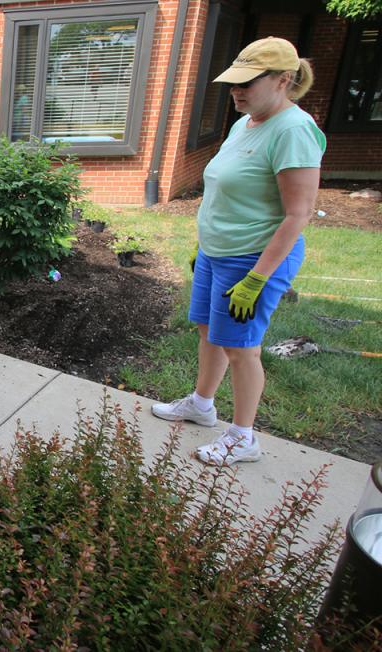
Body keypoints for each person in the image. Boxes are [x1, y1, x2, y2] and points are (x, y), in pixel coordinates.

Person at [151, 37, 325, 466]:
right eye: (233, 83)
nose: (236, 91)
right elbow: (227, 192)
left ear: (284, 80)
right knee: (208, 331)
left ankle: (244, 437)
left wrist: (257, 278)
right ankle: (202, 404)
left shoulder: (293, 130)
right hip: (217, 252)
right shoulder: (245, 122)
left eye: (247, 83)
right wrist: (203, 243)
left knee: (241, 348)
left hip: (252, 258)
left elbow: (297, 215)